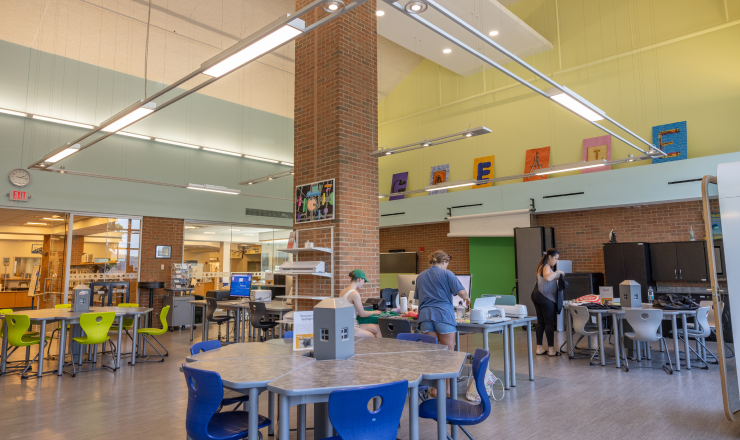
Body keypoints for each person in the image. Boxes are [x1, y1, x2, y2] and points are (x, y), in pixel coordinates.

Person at [416, 250, 471, 396]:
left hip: (425, 316)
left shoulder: (420, 276)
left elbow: (417, 299)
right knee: (448, 355)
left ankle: (434, 388)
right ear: (444, 262)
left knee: (433, 355)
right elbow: (462, 292)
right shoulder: (447, 274)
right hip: (443, 316)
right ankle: (446, 389)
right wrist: (468, 299)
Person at [532, 248, 564, 356]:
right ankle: (551, 351)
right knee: (549, 324)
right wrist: (557, 272)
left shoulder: (541, 266)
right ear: (549, 257)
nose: (556, 261)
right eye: (555, 258)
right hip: (545, 297)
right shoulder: (546, 266)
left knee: (540, 323)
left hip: (536, 295)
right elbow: (547, 278)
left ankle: (539, 349)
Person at [340, 269, 382, 338]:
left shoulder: (343, 291)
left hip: (344, 325)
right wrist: (374, 312)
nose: (363, 284)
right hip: (352, 327)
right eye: (364, 281)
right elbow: (362, 314)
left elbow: (346, 311)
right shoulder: (354, 293)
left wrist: (355, 313)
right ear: (360, 279)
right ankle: (376, 348)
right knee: (372, 336)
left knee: (378, 328)